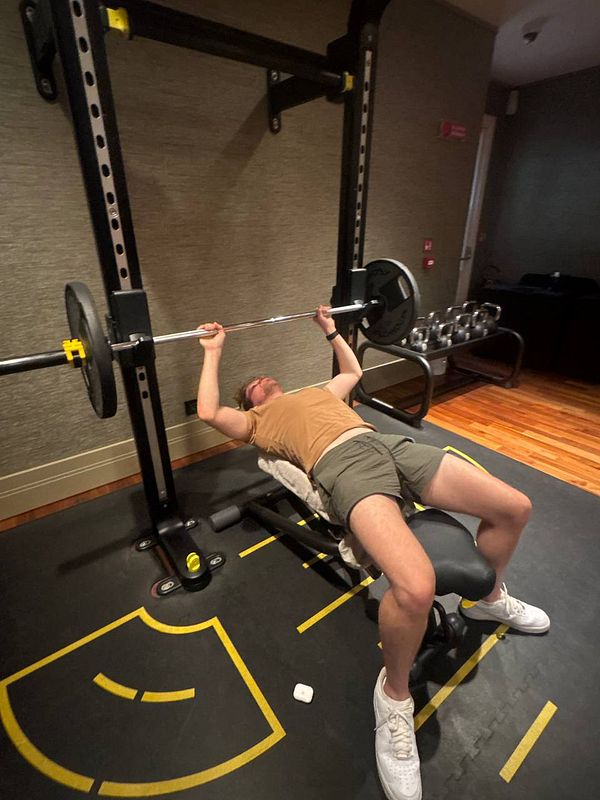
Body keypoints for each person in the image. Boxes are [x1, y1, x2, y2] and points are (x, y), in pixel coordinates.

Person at [196, 306, 550, 800]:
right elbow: (209, 413)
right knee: (415, 587)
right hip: (344, 468)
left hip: (388, 446)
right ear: (250, 401)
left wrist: (331, 330)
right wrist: (213, 352)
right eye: (251, 383)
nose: (260, 380)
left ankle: (488, 598)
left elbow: (353, 373)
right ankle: (394, 696)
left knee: (514, 507)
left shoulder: (317, 392)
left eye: (264, 377)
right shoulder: (257, 422)